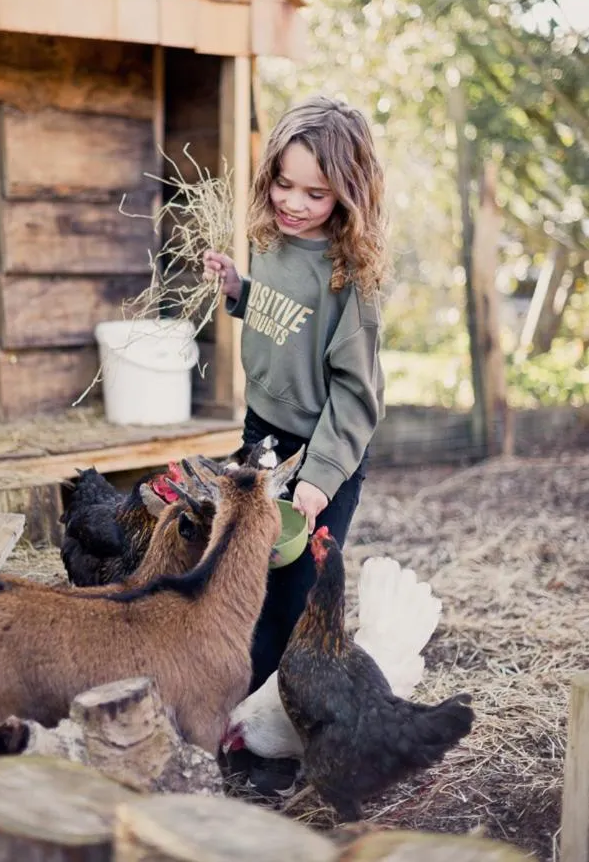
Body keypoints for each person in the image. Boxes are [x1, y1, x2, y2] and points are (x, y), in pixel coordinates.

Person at [204, 95, 388, 791]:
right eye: (283, 183)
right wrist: (237, 289)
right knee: (244, 575)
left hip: (322, 450)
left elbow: (355, 396)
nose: (294, 201)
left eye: (315, 192)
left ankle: (275, 750)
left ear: (348, 193)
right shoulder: (273, 242)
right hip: (264, 437)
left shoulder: (352, 283)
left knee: (295, 595)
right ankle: (233, 719)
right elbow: (281, 314)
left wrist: (321, 477)